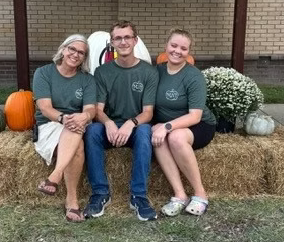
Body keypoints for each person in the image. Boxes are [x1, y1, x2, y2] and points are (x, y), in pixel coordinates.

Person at [84, 21, 159, 221]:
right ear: (112, 42)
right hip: (111, 126)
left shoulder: (148, 72)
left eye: (127, 37)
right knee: (91, 132)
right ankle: (100, 194)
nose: (123, 41)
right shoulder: (102, 72)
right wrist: (108, 123)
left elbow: (148, 112)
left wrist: (130, 123)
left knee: (145, 131)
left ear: (135, 40)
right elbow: (97, 110)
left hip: (135, 127)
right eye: (118, 38)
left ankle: (138, 196)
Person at [152, 29, 216, 217]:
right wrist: (159, 125)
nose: (177, 51)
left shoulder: (194, 76)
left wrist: (166, 126)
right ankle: (179, 195)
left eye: (183, 48)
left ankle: (200, 194)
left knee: (176, 138)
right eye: (174, 45)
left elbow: (195, 116)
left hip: (199, 125)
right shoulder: (157, 71)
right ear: (166, 46)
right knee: (157, 137)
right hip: (168, 124)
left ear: (189, 52)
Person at [33, 34, 96, 222]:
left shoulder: (87, 80)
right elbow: (44, 107)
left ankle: (54, 176)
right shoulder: (43, 73)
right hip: (50, 123)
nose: (75, 55)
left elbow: (90, 109)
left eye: (81, 53)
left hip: (76, 123)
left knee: (75, 128)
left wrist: (84, 116)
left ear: (85, 58)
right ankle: (72, 201)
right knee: (78, 146)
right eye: (72, 49)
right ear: (63, 49)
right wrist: (63, 118)